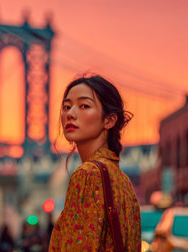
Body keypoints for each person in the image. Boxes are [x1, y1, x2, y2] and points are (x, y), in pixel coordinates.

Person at [49, 75, 141, 251]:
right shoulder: (123, 181)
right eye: (67, 107)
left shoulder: (87, 174)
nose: (70, 114)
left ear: (109, 120)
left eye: (84, 106)